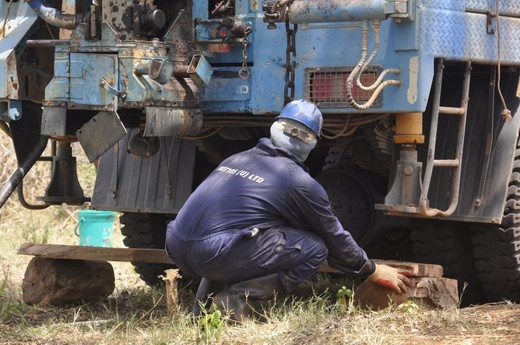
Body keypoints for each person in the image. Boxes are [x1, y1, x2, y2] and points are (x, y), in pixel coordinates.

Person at [165, 99, 413, 320]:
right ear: (312, 142)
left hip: (176, 246)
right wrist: (372, 268)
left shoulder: (237, 158)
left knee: (233, 231)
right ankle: (232, 303)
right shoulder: (298, 182)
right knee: (315, 248)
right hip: (215, 254)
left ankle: (201, 312)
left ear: (275, 127)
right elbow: (333, 236)